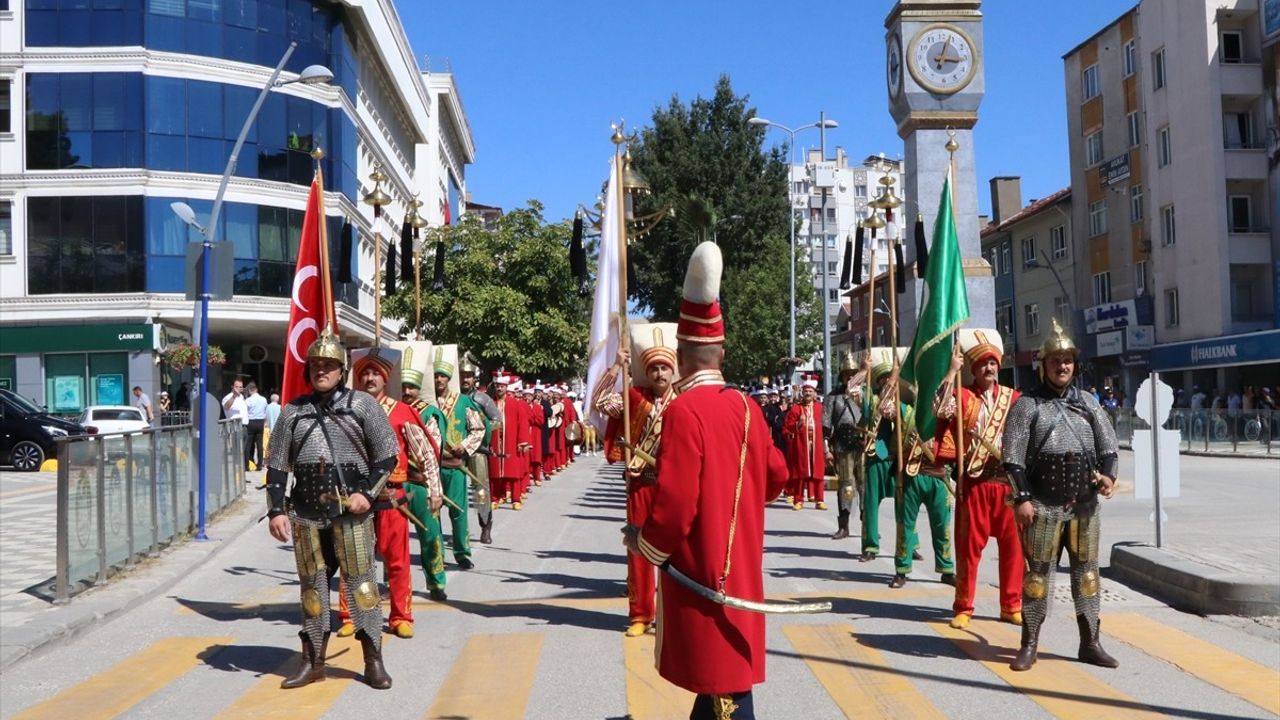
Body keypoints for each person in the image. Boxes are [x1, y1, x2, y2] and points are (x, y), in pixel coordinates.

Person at [623, 242, 788, 719]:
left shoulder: (684, 410)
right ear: (721, 352)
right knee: (724, 679)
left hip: (702, 575)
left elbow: (675, 506)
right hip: (742, 570)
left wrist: (644, 543)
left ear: (681, 353)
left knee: (724, 691)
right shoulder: (748, 406)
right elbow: (776, 477)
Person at [263, 329, 401, 690]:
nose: (321, 371)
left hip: (351, 511)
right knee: (313, 590)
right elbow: (277, 466)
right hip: (306, 513)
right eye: (315, 365)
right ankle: (314, 663)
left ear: (342, 370)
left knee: (362, 589)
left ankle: (373, 661)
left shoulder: (363, 406)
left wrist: (367, 495)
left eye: (328, 365)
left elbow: (387, 456)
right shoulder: (293, 411)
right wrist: (276, 510)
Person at [1003, 319, 1120, 672]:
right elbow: (1012, 457)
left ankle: (1090, 643)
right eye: (1056, 360)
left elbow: (1109, 448)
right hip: (1042, 504)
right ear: (1044, 364)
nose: (1063, 366)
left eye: (1068, 359)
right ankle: (1029, 644)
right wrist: (1022, 498)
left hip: (1084, 506)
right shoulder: (1028, 405)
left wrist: (1109, 477)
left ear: (1075, 363)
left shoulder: (1088, 403)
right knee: (1037, 577)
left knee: (1087, 575)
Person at [334, 346, 440, 639]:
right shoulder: (345, 410)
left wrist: (434, 488)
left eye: (375, 374)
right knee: (353, 560)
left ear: (385, 379)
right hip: (355, 499)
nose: (369, 378)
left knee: (397, 560)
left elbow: (426, 452)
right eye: (364, 373)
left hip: (392, 498)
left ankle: (400, 616)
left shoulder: (403, 411)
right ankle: (349, 614)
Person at [932, 329, 1023, 628]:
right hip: (974, 481)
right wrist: (951, 371)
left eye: (993, 363)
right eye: (983, 364)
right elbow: (939, 408)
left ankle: (1011, 604)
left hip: (1007, 483)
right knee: (969, 549)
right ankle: (963, 606)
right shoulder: (962, 396)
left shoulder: (1014, 399)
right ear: (973, 369)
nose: (989, 368)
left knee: (1013, 548)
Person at [594, 322, 678, 637]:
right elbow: (601, 402)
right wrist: (617, 366)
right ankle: (641, 614)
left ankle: (673, 614)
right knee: (639, 549)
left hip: (672, 486)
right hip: (640, 484)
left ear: (672, 371)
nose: (659, 374)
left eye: (664, 368)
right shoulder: (634, 397)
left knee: (674, 551)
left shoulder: (684, 400)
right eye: (654, 368)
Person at [426, 349, 486, 572]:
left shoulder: (462, 402)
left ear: (449, 378)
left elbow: (478, 429)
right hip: (431, 466)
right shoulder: (427, 403)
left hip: (455, 466)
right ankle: (436, 554)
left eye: (442, 375)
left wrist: (466, 445)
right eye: (435, 375)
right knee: (433, 512)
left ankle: (462, 553)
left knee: (458, 511)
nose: (439, 379)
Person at [857, 353, 900, 562]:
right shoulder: (870, 398)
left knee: (904, 503)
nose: (886, 382)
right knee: (871, 502)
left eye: (888, 378)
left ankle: (909, 544)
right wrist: (864, 370)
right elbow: (852, 390)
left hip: (896, 455)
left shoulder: (901, 400)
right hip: (877, 451)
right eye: (882, 379)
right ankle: (870, 546)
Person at [461, 362, 500, 544]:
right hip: (457, 451)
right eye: (462, 375)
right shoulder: (453, 398)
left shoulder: (482, 399)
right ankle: (460, 531)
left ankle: (485, 526)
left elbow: (497, 420)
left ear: (474, 378)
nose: (465, 379)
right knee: (457, 492)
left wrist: (484, 430)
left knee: (481, 491)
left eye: (468, 375)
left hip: (478, 451)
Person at [782, 376, 826, 510]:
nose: (808, 393)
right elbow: (786, 428)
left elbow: (826, 425)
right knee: (800, 473)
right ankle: (798, 500)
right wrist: (798, 424)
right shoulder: (796, 409)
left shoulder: (820, 408)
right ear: (802, 393)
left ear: (815, 394)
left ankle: (819, 500)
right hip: (801, 445)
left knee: (818, 472)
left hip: (817, 445)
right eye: (806, 391)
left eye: (810, 391)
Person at [488, 373, 529, 509]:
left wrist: (522, 441)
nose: (499, 388)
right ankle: (496, 497)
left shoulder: (515, 404)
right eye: (497, 386)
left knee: (512, 472)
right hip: (495, 442)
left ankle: (516, 499)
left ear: (506, 387)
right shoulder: (490, 403)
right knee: (495, 472)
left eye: (501, 386)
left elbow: (522, 423)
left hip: (510, 442)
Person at [244, 382, 268, 471]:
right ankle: (259, 464)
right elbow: (265, 410)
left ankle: (247, 464)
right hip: (260, 422)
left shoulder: (248, 400)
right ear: (256, 389)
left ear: (250, 390)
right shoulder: (264, 399)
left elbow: (245, 411)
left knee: (248, 444)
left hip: (251, 421)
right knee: (259, 444)